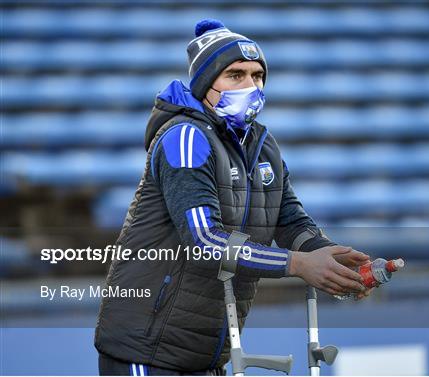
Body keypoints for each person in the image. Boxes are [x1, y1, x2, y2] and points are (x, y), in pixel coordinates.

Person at [95, 19, 371, 376]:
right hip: (146, 349)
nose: (251, 86)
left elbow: (291, 223)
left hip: (207, 354)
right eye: (236, 75)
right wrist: (298, 265)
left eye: (257, 76)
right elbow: (204, 240)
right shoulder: (185, 138)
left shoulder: (263, 146)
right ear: (206, 84)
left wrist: (335, 262)